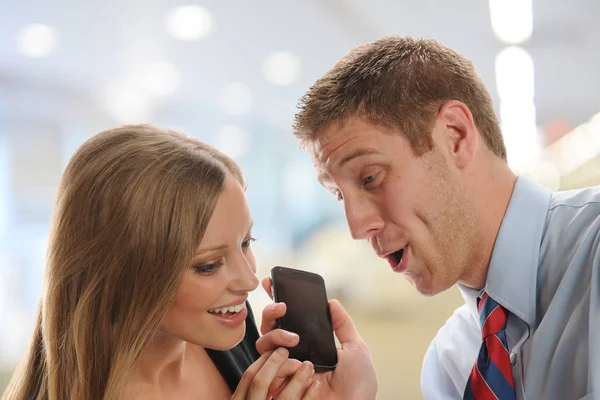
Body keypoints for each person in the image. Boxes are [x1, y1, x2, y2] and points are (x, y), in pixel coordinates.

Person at [286, 35, 600, 399]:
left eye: (370, 178)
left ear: (455, 136)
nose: (357, 226)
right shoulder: (450, 361)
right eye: (338, 195)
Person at [2, 125, 327, 400]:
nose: (249, 281)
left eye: (246, 243)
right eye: (209, 264)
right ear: (122, 273)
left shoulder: (233, 332)